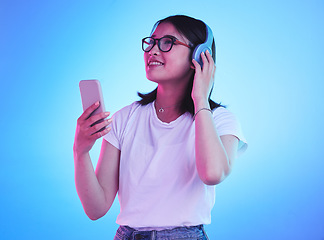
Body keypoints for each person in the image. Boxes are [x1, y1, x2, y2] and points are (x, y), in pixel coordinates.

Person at [73, 15, 247, 240]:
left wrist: (201, 100)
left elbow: (213, 174)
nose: (153, 50)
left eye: (168, 42)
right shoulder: (125, 118)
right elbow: (95, 209)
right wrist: (81, 151)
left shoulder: (220, 120)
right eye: (152, 42)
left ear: (200, 56)